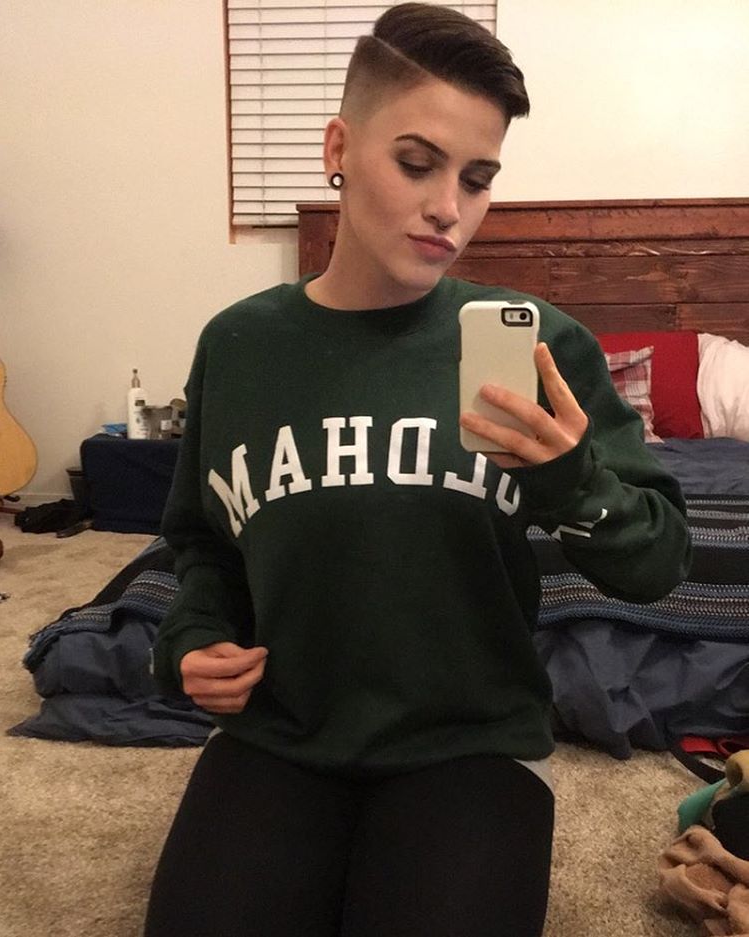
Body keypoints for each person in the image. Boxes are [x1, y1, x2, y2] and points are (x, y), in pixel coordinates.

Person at [144, 4, 691, 935]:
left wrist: (574, 481)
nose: (449, 208)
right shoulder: (239, 346)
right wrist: (191, 637)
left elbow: (660, 562)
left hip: (469, 742)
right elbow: (203, 539)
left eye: (478, 179)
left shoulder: (544, 348)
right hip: (283, 731)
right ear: (340, 149)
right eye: (416, 162)